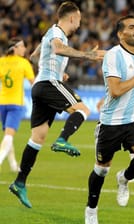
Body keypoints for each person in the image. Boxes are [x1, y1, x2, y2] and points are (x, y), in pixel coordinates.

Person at [8, 1, 105, 209]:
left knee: (37, 138)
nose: (79, 23)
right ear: (72, 18)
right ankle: (62, 139)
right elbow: (59, 49)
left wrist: (55, 69)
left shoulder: (48, 34)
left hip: (41, 86)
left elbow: (34, 57)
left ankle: (19, 182)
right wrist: (86, 55)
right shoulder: (58, 33)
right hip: (48, 83)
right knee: (83, 110)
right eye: (79, 19)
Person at [85, 15, 134, 224]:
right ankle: (91, 210)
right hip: (111, 122)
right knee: (101, 169)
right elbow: (116, 90)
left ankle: (124, 179)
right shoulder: (113, 56)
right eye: (131, 27)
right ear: (121, 34)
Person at [0, 38, 35, 172]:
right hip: (15, 104)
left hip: (2, 103)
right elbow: (34, 83)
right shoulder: (24, 63)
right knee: (9, 136)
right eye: (23, 46)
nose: (25, 49)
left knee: (7, 136)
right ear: (15, 48)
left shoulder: (1, 61)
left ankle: (14, 165)